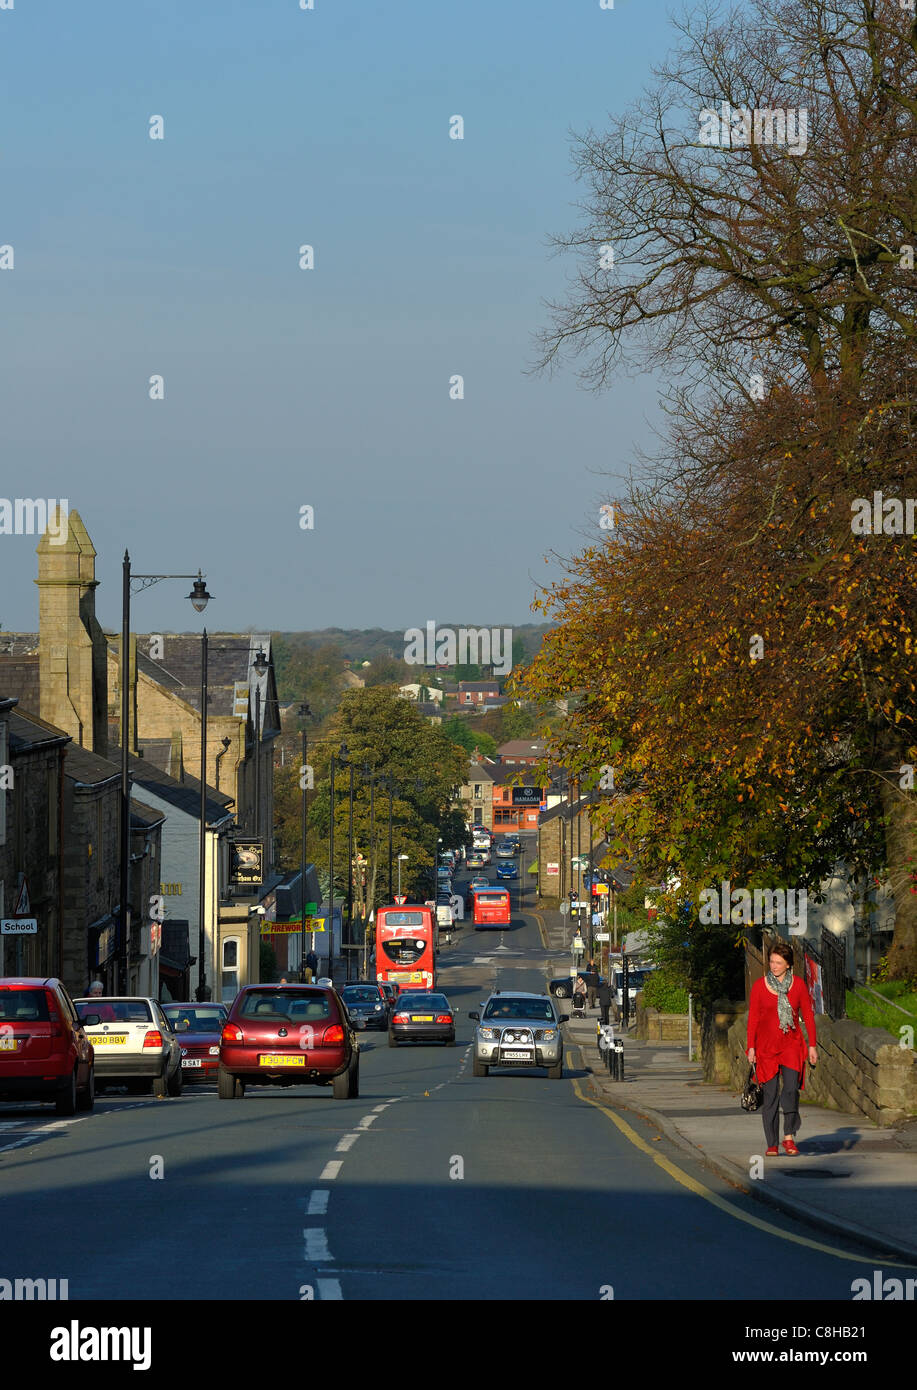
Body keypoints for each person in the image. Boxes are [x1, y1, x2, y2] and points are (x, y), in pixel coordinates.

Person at [747, 940, 818, 1157]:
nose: (774, 966)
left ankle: (789, 1136)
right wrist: (751, 1047)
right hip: (766, 1048)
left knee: (790, 1089)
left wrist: (812, 1046)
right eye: (771, 961)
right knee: (770, 1096)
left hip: (791, 1045)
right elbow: (753, 1019)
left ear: (788, 964)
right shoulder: (760, 986)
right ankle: (771, 1143)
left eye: (778, 962)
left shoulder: (797, 985)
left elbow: (807, 1016)